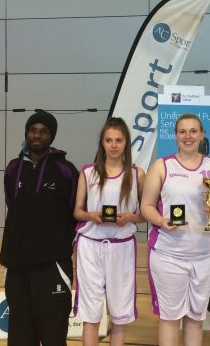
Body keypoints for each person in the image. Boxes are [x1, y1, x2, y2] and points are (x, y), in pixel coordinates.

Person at [141, 114, 210, 346]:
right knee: (170, 319)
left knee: (195, 318)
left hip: (206, 254)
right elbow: (146, 206)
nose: (188, 136)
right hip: (169, 254)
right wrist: (161, 221)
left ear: (201, 134)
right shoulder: (162, 166)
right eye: (182, 131)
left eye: (193, 131)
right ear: (175, 135)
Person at [0, 110, 79, 346]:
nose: (37, 135)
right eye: (33, 130)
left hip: (53, 264)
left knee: (53, 332)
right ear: (26, 133)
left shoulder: (66, 170)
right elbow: (12, 204)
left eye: (43, 131)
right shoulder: (13, 168)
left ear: (51, 136)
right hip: (18, 264)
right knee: (20, 332)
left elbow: (74, 211)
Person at [73, 117, 145, 346]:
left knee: (120, 315)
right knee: (91, 315)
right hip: (90, 246)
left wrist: (131, 217)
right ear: (102, 143)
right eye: (108, 140)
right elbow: (77, 212)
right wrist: (91, 215)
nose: (113, 145)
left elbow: (147, 213)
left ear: (126, 144)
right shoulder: (87, 172)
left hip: (121, 247)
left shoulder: (137, 175)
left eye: (118, 140)